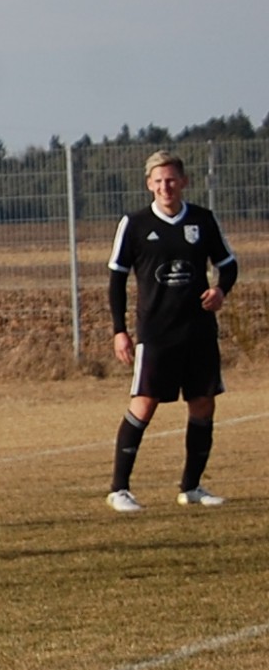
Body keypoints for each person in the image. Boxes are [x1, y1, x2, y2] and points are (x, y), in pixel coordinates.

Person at [104, 149, 239, 513]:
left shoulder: (202, 220)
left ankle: (191, 487)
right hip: (156, 333)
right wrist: (119, 330)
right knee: (145, 403)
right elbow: (116, 280)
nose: (166, 187)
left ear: (183, 182)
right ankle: (119, 489)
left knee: (203, 403)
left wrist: (221, 290)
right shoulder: (134, 224)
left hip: (198, 331)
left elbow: (228, 265)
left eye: (171, 180)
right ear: (149, 185)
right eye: (159, 181)